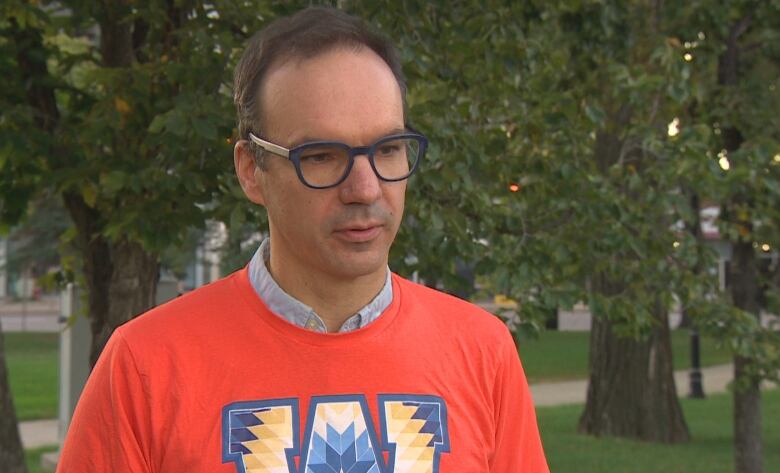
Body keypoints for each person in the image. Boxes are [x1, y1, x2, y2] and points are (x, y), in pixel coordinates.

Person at [58, 6, 548, 473]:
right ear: (252, 170)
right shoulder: (145, 367)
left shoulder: (483, 352)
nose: (365, 188)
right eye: (321, 156)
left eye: (389, 148)